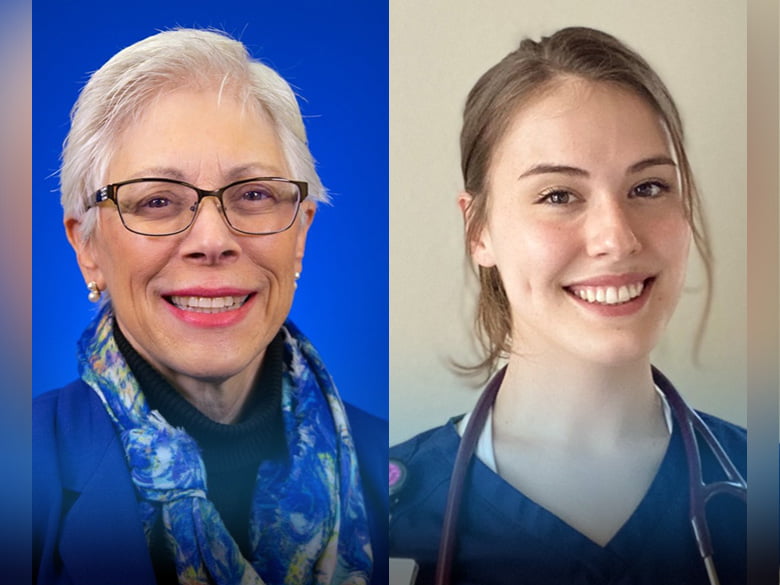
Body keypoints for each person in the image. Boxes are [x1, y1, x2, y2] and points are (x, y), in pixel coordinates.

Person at [389, 27, 746, 584]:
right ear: (478, 229)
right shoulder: (369, 513)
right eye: (559, 195)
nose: (617, 238)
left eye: (649, 187)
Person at [33, 28, 386, 585]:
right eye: (156, 200)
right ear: (88, 248)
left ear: (299, 234)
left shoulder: (396, 468)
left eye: (253, 195)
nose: (212, 240)